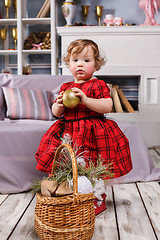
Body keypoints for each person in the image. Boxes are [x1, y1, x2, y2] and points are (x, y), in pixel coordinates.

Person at [35, 39, 132, 179]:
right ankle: (68, 189)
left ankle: (94, 193)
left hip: (91, 130)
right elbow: (56, 113)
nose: (80, 64)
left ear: (96, 65)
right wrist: (59, 105)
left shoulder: (97, 84)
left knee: (92, 162)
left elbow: (107, 106)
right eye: (75, 60)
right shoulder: (66, 87)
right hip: (68, 130)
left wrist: (86, 100)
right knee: (65, 159)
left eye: (86, 60)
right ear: (68, 64)